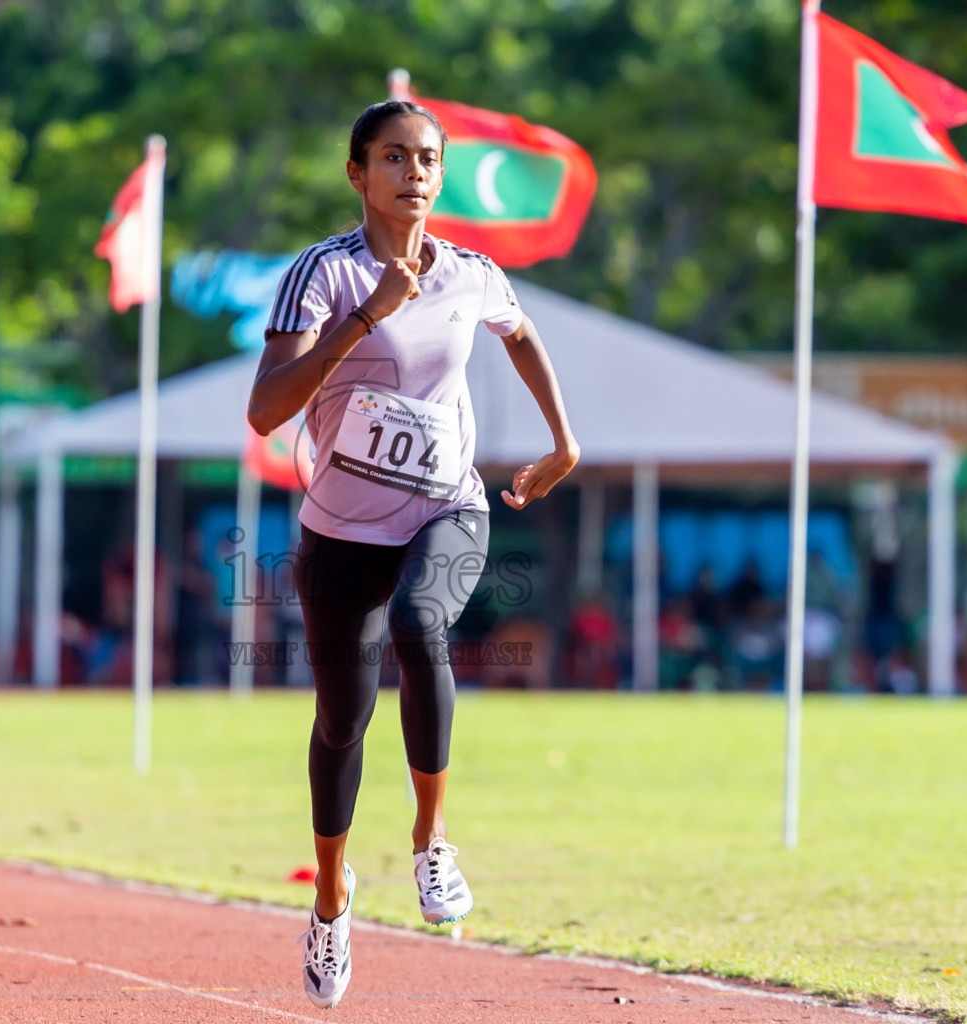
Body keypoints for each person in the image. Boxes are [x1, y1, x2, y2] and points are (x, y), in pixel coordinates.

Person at [247, 99, 579, 1009]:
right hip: (341, 529)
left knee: (420, 622)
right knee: (343, 719)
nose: (414, 175)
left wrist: (561, 438)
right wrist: (366, 318)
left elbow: (521, 333)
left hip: (446, 505)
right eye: (393, 159)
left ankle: (432, 843)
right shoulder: (320, 276)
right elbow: (266, 410)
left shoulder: (472, 274)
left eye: (427, 160)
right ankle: (329, 900)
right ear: (358, 174)